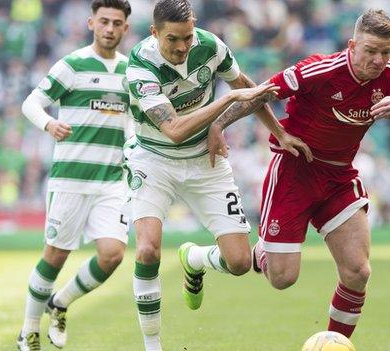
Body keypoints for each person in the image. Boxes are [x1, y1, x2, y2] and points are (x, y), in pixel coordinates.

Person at [208, 9, 390, 339]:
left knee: (358, 271)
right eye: (370, 51)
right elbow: (261, 94)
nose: (378, 59)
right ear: (352, 45)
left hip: (339, 178)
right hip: (295, 173)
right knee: (283, 278)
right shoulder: (320, 70)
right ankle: (205, 257)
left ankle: (333, 345)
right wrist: (218, 125)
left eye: (385, 52)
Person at [123, 1, 309, 350]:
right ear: (154, 33)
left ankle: (193, 259)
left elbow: (247, 87)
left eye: (187, 38)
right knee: (147, 250)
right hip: (153, 160)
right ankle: (152, 346)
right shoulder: (140, 67)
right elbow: (174, 130)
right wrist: (226, 104)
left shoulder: (210, 45)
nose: (182, 47)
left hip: (204, 160)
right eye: (172, 40)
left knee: (239, 262)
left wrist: (279, 132)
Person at [17, 1, 132, 350]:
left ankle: (61, 302)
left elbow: (133, 118)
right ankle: (29, 330)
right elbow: (31, 103)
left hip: (112, 181)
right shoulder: (72, 64)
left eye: (116, 23)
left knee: (112, 254)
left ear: (126, 28)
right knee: (56, 254)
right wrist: (49, 123)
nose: (110, 28)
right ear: (91, 23)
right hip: (71, 180)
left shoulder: (132, 71)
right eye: (104, 22)